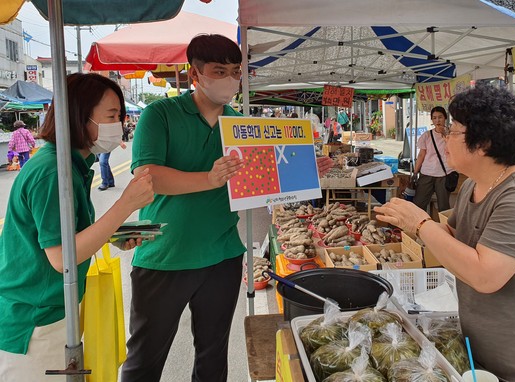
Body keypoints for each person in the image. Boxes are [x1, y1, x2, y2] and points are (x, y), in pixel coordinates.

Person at [122, 34, 332, 382]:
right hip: (165, 255)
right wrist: (209, 178)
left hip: (222, 255)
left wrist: (306, 168)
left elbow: (266, 175)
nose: (230, 80)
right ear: (195, 74)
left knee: (213, 354)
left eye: (235, 71)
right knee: (145, 358)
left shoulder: (239, 125)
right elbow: (148, 176)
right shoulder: (159, 114)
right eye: (219, 71)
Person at [374, 84, 515, 382]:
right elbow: (450, 236)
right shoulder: (474, 184)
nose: (445, 137)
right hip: (486, 355)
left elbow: (484, 275)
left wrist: (420, 223)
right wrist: (405, 221)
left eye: (454, 130)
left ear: (484, 143)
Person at [0, 73, 154, 380]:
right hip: (34, 321)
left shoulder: (72, 165)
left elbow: (68, 237)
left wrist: (113, 235)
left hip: (53, 310)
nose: (119, 124)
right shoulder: (52, 172)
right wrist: (125, 205)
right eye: (111, 116)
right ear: (79, 117)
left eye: (120, 116)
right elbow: (61, 258)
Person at [412, 106, 453, 213]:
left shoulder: (452, 134)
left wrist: (445, 135)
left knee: (443, 206)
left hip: (445, 173)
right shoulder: (427, 135)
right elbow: (421, 155)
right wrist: (415, 172)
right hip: (427, 172)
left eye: (440, 117)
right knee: (419, 203)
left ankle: (444, 228)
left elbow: (454, 151)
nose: (437, 120)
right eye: (434, 118)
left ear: (445, 118)